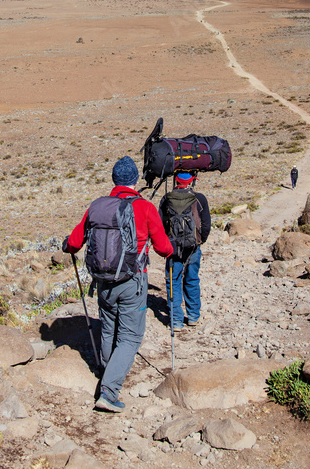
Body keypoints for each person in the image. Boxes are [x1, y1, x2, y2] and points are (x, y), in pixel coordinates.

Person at [64, 155, 173, 413]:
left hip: (103, 281)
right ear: (135, 181)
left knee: (108, 328)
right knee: (130, 336)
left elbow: (74, 242)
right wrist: (171, 251)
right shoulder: (144, 207)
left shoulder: (97, 206)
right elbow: (163, 248)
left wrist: (66, 245)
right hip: (132, 281)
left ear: (114, 180)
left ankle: (106, 371)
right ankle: (109, 391)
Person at [159, 171, 211, 332]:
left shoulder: (167, 199)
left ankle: (176, 320)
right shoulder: (199, 198)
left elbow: (160, 224)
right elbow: (206, 224)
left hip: (172, 248)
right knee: (192, 278)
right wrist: (200, 240)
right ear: (191, 180)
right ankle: (193, 316)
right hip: (193, 247)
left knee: (173, 281)